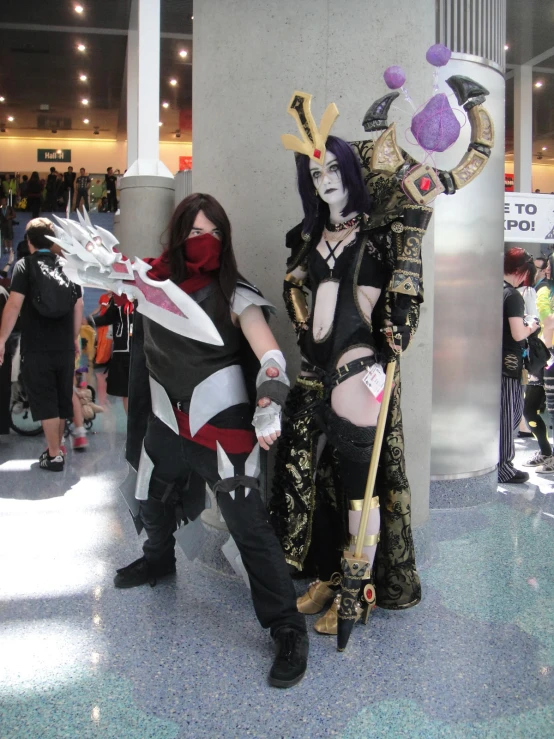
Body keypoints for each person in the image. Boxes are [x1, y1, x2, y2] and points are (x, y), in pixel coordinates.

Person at [109, 193, 308, 688]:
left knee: (250, 528)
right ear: (179, 236)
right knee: (151, 498)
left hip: (222, 424)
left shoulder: (234, 293)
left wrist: (269, 397)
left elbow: (271, 355)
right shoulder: (150, 283)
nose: (206, 243)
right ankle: (159, 561)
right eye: (196, 233)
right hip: (165, 417)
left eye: (215, 234)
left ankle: (287, 627)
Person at [270, 98, 429, 636]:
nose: (326, 179)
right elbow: (295, 286)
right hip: (315, 371)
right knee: (318, 479)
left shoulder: (383, 236)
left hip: (359, 372)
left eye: (334, 168)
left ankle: (359, 591)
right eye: (316, 172)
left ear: (352, 173)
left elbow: (406, 299)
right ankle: (329, 574)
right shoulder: (310, 236)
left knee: (361, 484)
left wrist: (391, 347)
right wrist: (300, 322)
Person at [0, 217, 83, 471]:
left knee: (46, 399)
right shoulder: (69, 265)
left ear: (29, 242)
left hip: (37, 345)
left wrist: (1, 340)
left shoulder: (24, 266)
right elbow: (78, 305)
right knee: (61, 399)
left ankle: (55, 454)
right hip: (64, 345)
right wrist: (73, 337)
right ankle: (55, 449)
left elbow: (13, 305)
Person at [499, 248, 539, 484]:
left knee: (508, 414)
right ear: (521, 271)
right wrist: (532, 326)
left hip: (494, 362)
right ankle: (503, 467)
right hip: (508, 365)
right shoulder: (512, 296)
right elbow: (517, 333)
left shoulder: (495, 291)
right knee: (509, 415)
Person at [90, 293, 133, 413]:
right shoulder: (118, 297)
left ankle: (144, 426)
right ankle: (133, 427)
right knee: (127, 392)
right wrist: (89, 321)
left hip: (144, 351)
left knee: (143, 391)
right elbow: (107, 317)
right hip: (122, 351)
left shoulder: (146, 294)